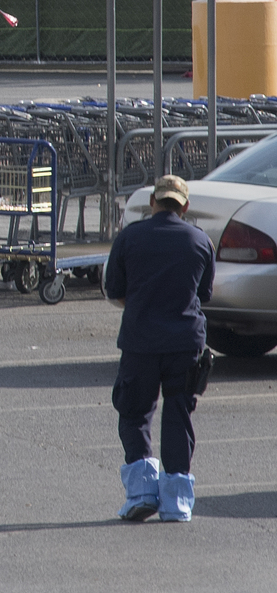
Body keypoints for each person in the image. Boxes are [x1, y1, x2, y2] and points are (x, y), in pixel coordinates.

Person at [105, 174, 214, 523]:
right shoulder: (199, 241)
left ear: (153, 202)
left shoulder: (130, 237)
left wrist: (142, 305)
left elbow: (114, 290)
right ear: (184, 206)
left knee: (135, 413)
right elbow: (204, 295)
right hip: (185, 342)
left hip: (141, 340)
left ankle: (140, 492)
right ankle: (177, 502)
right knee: (179, 415)